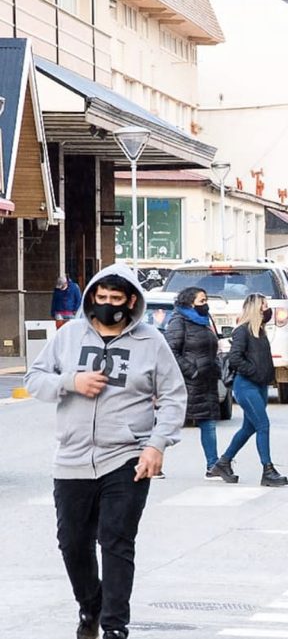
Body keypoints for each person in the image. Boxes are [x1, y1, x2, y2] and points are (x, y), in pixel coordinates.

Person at [25, 264, 186, 639]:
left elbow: (175, 397)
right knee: (72, 543)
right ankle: (91, 606)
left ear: (131, 301)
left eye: (117, 299)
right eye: (102, 298)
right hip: (72, 458)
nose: (109, 305)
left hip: (126, 457)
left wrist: (156, 445)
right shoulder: (69, 337)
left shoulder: (151, 342)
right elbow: (34, 379)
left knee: (116, 540)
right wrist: (71, 381)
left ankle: (115, 627)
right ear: (92, 297)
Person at [212, 293, 288, 487]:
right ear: (256, 308)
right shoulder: (242, 331)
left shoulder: (259, 331)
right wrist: (253, 371)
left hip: (260, 385)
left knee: (249, 427)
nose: (267, 309)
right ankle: (268, 470)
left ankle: (224, 462)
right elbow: (235, 358)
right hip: (246, 385)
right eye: (264, 306)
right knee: (263, 425)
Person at [166, 287, 228, 481]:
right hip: (188, 381)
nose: (205, 304)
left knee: (208, 423)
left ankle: (213, 466)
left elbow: (212, 346)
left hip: (206, 380)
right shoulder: (179, 321)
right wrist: (191, 370)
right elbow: (170, 350)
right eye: (202, 300)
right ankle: (151, 462)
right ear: (190, 302)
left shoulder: (204, 321)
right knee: (170, 422)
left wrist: (216, 367)